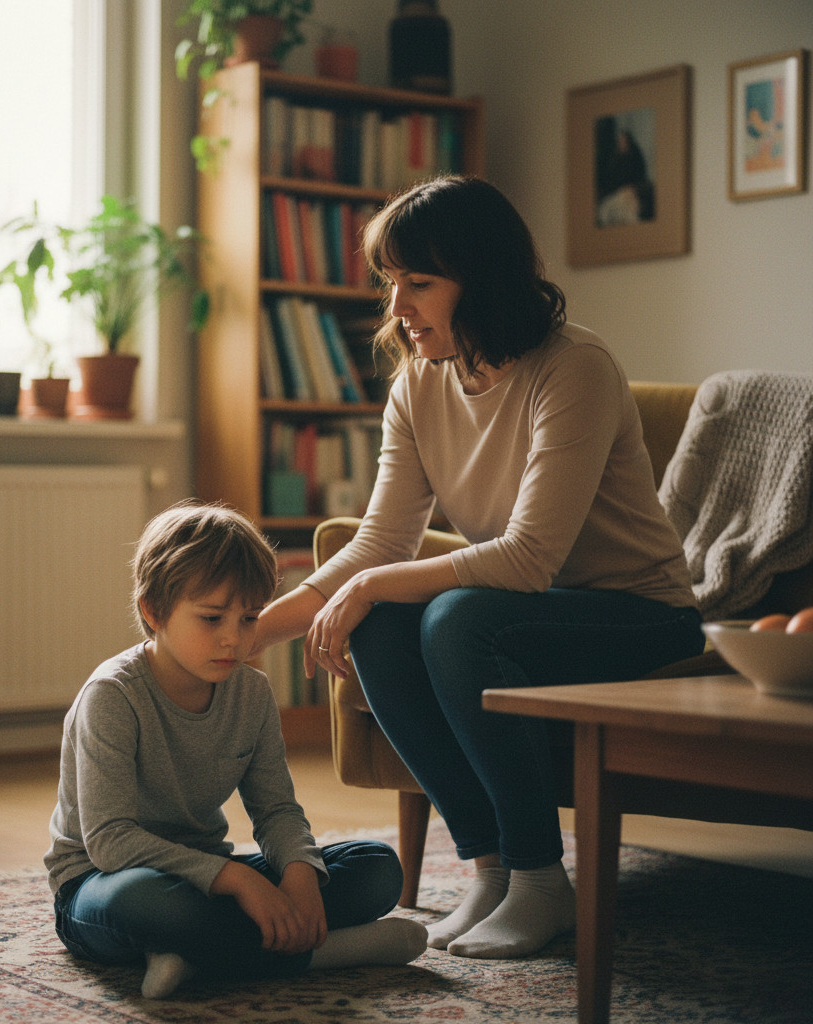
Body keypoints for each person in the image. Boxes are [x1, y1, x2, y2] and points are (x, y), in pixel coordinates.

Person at [255, 176, 705, 961]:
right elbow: (381, 541)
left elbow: (527, 559)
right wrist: (248, 635)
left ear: (483, 279)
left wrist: (367, 586)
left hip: (640, 614)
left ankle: (540, 878)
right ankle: (492, 871)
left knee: (455, 618)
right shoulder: (418, 385)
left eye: (420, 283)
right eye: (392, 282)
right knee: (386, 621)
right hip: (528, 611)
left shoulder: (574, 367)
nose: (398, 307)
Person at [44, 500, 427, 999]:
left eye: (249, 618)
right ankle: (323, 953)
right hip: (102, 885)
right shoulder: (112, 695)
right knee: (154, 905)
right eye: (211, 618)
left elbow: (276, 809)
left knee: (377, 869)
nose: (233, 638)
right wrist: (241, 883)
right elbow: (110, 842)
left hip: (208, 878)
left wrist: (299, 874)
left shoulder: (252, 694)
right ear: (153, 610)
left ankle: (196, 954)